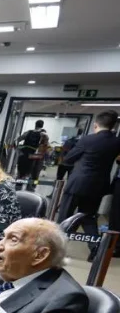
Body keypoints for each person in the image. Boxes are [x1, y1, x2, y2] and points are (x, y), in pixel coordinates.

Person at [58, 111, 120, 260]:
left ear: (95, 125)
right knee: (89, 217)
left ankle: (56, 249)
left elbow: (68, 159)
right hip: (98, 186)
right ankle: (95, 249)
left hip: (77, 183)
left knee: (65, 217)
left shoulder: (87, 140)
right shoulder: (117, 142)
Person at [17, 120, 46, 187]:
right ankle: (32, 186)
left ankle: (19, 184)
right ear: (42, 125)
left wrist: (19, 149)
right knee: (35, 172)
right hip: (36, 155)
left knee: (22, 170)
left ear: (35, 124)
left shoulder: (28, 132)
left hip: (25, 153)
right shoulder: (44, 134)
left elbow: (18, 140)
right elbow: (45, 145)